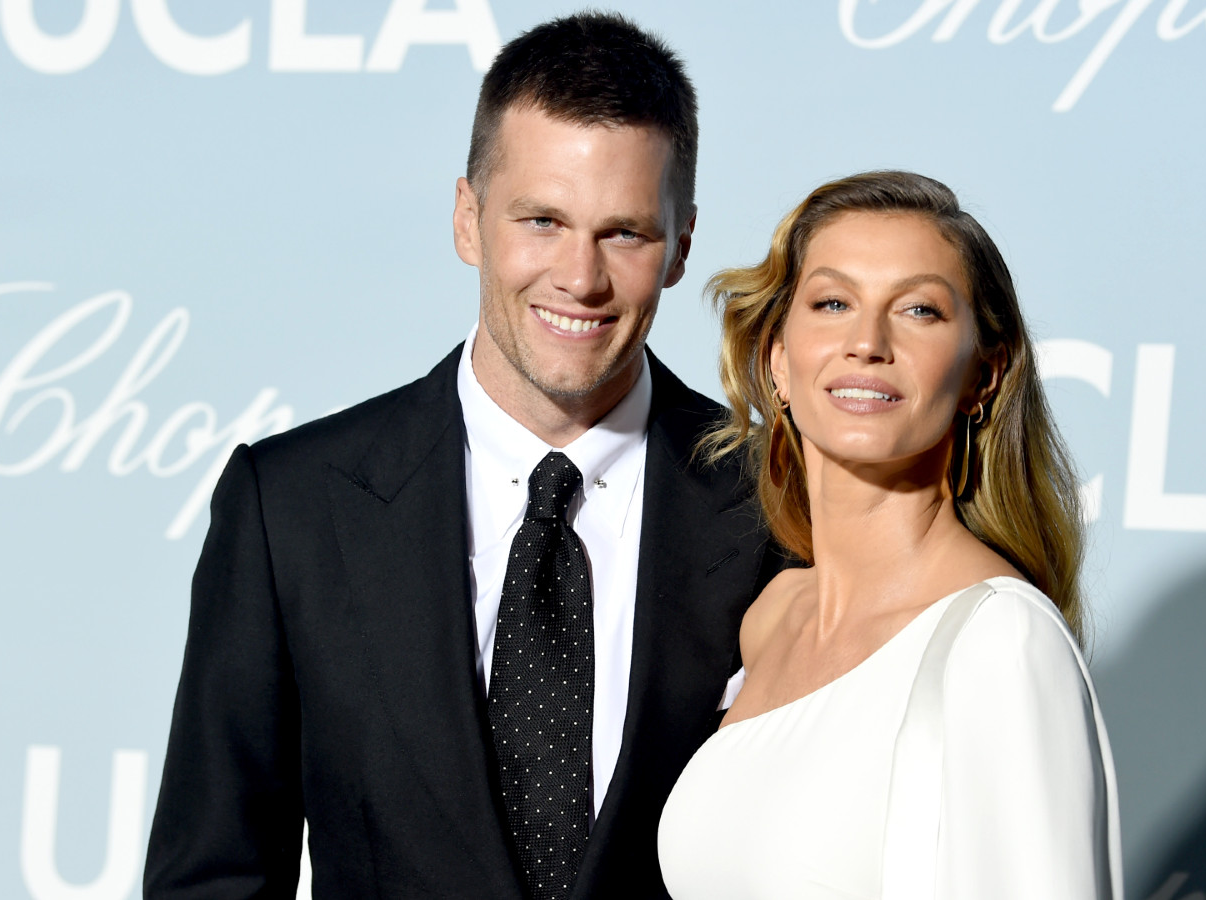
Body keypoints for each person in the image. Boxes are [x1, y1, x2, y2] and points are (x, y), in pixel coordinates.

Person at [144, 13, 779, 900]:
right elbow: (211, 878)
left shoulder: (779, 507)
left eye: (625, 233)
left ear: (681, 247)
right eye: (542, 220)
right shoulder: (290, 507)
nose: (580, 277)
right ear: (468, 220)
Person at [657, 171, 1123, 898]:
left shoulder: (1001, 642)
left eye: (919, 311)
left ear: (984, 375)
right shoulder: (773, 617)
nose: (866, 342)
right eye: (833, 302)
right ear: (779, 358)